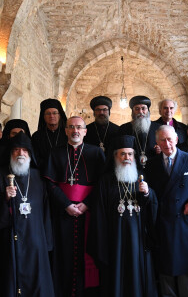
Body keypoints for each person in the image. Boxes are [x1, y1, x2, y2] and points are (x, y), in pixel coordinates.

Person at [87, 135, 158, 297]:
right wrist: (103, 243)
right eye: (123, 154)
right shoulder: (105, 181)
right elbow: (99, 214)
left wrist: (147, 193)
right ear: (115, 156)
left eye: (130, 154)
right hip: (114, 240)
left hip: (138, 239)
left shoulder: (141, 177)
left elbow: (152, 204)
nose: (127, 158)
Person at [44, 116, 105, 297]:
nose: (75, 130)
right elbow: (50, 184)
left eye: (79, 127)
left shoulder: (95, 153)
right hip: (63, 214)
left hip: (89, 214)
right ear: (65, 131)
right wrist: (66, 205)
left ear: (85, 131)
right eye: (71, 127)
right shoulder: (55, 153)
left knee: (89, 251)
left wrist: (85, 205)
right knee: (64, 254)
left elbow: (101, 184)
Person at [145, 125, 188, 297]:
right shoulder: (151, 165)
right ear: (157, 142)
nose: (167, 143)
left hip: (184, 221)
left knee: (185, 266)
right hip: (162, 221)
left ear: (177, 140)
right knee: (165, 265)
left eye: (170, 139)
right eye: (162, 140)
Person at [0, 132, 54, 297]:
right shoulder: (2, 175)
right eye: (16, 150)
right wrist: (5, 198)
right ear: (10, 153)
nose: (21, 154)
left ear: (30, 153)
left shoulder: (38, 177)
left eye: (25, 150)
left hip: (36, 239)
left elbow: (46, 210)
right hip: (10, 240)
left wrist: (47, 242)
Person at [119, 95, 159, 168]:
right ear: (133, 111)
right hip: (132, 167)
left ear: (148, 110)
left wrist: (161, 150)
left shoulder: (158, 127)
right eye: (137, 109)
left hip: (154, 167)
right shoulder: (123, 128)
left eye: (143, 108)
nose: (140, 112)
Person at [32, 98, 68, 169]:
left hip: (65, 171)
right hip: (43, 172)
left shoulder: (68, 134)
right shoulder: (36, 136)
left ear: (59, 115)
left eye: (54, 113)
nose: (51, 116)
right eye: (48, 113)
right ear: (44, 117)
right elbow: (35, 158)